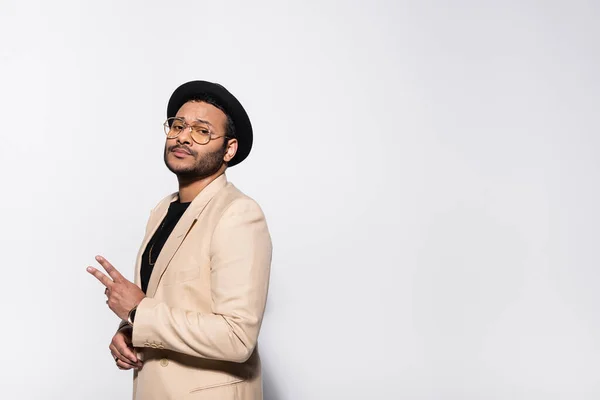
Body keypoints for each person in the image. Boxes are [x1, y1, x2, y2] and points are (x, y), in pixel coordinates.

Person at [86, 80, 272, 399]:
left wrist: (138, 312)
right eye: (178, 125)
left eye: (201, 130)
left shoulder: (239, 214)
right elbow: (164, 304)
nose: (183, 136)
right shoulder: (162, 210)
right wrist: (130, 330)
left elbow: (237, 337)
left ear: (229, 148)